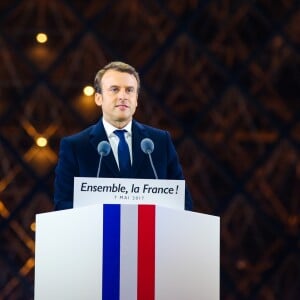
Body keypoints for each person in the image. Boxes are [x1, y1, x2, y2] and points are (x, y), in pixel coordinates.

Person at [54, 61, 193, 210]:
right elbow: (63, 204)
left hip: (151, 231)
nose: (123, 96)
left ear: (136, 99)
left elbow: (182, 202)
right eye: (114, 89)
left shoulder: (159, 142)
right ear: (98, 98)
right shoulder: (76, 146)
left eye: (129, 90)